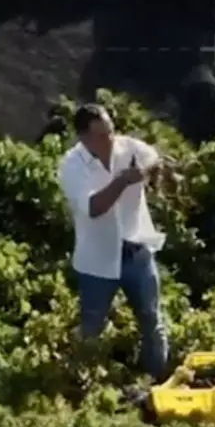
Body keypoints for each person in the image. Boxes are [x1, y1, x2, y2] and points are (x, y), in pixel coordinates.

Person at [57, 103, 170, 381]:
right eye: (101, 135)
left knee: (151, 321)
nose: (110, 139)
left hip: (136, 251)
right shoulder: (71, 166)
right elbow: (93, 207)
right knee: (92, 327)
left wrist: (147, 170)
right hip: (97, 261)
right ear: (84, 138)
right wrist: (122, 182)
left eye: (110, 131)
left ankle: (158, 381)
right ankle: (83, 384)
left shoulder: (127, 147)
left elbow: (152, 157)